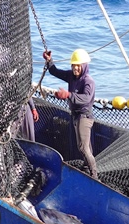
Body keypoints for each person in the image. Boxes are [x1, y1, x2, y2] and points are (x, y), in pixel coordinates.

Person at [43, 48, 98, 180]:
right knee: (85, 147)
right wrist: (49, 61)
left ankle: (94, 176)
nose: (75, 68)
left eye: (78, 65)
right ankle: (87, 168)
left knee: (83, 148)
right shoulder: (71, 76)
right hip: (76, 116)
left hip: (84, 117)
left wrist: (68, 95)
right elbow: (55, 72)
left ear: (84, 66)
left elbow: (86, 98)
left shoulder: (88, 81)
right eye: (73, 65)